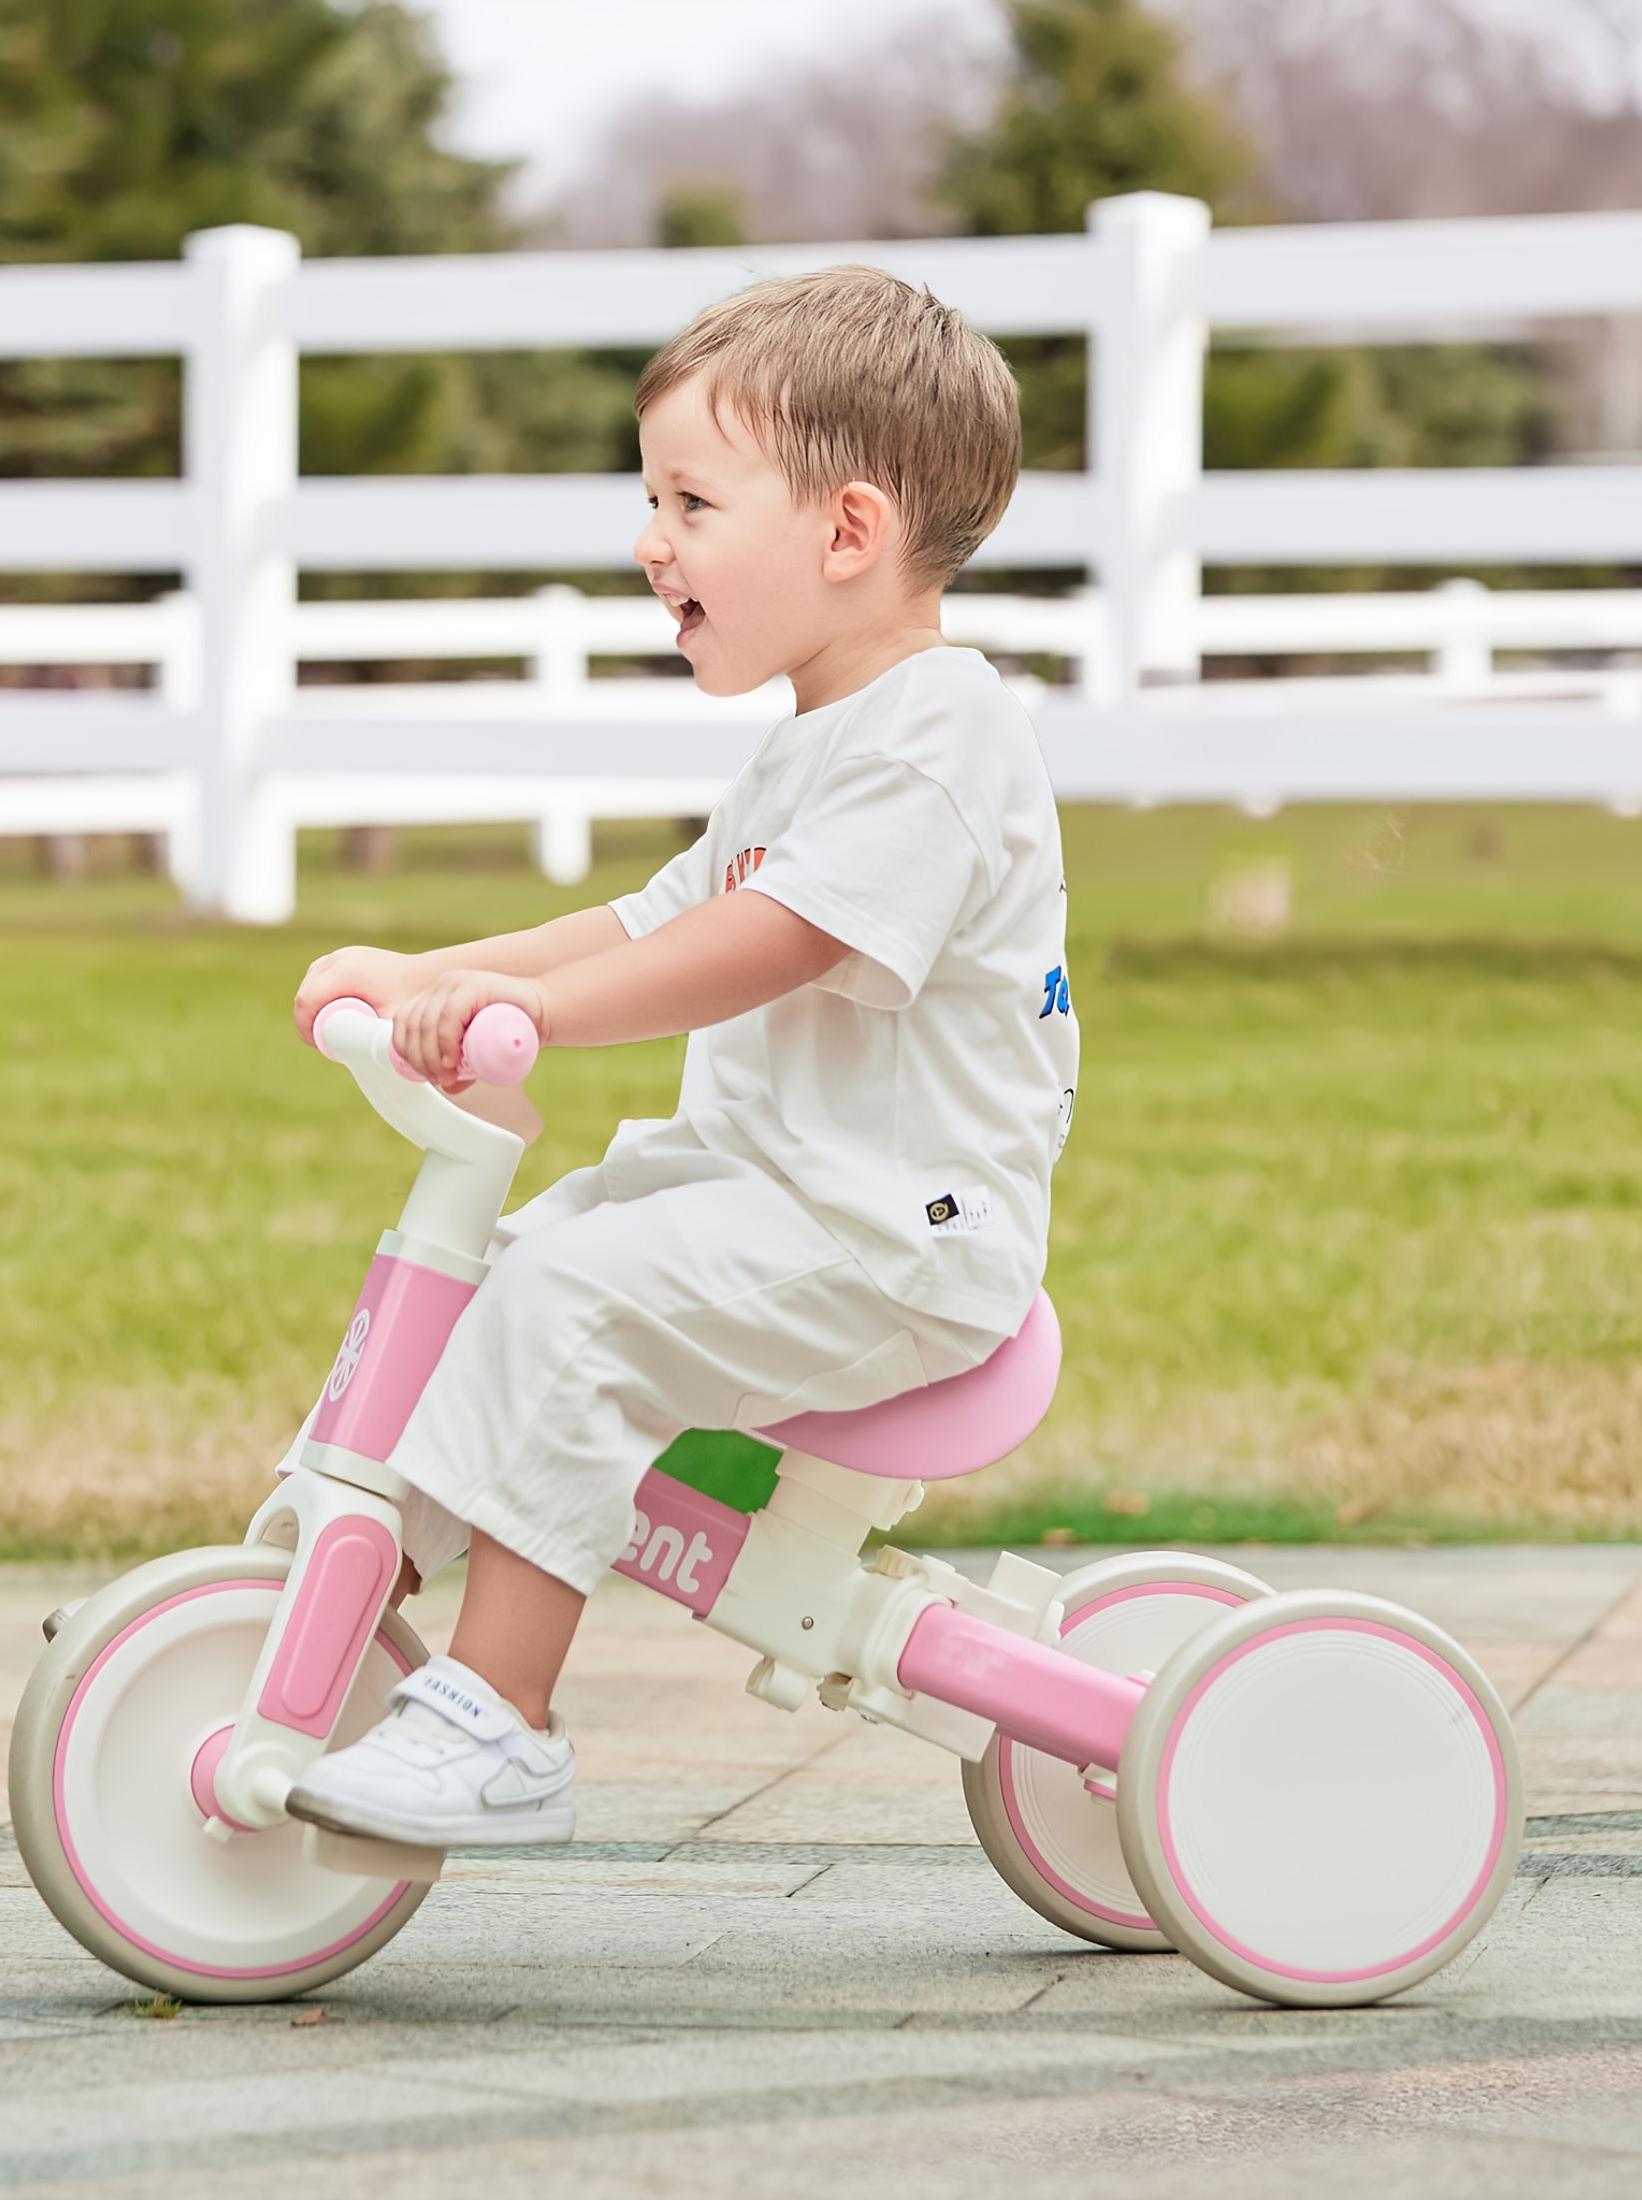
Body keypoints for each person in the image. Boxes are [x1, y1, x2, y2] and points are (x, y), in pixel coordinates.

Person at [284, 265, 1078, 1849]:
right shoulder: (814, 739)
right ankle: (325, 1581)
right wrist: (440, 973)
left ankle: (501, 1724)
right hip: (773, 1200)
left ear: (846, 534)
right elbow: (648, 914)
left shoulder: (939, 735)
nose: (652, 541)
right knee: (511, 1271)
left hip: (893, 1236)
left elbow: (768, 940)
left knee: (573, 1307)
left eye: (691, 502)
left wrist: (545, 1025)